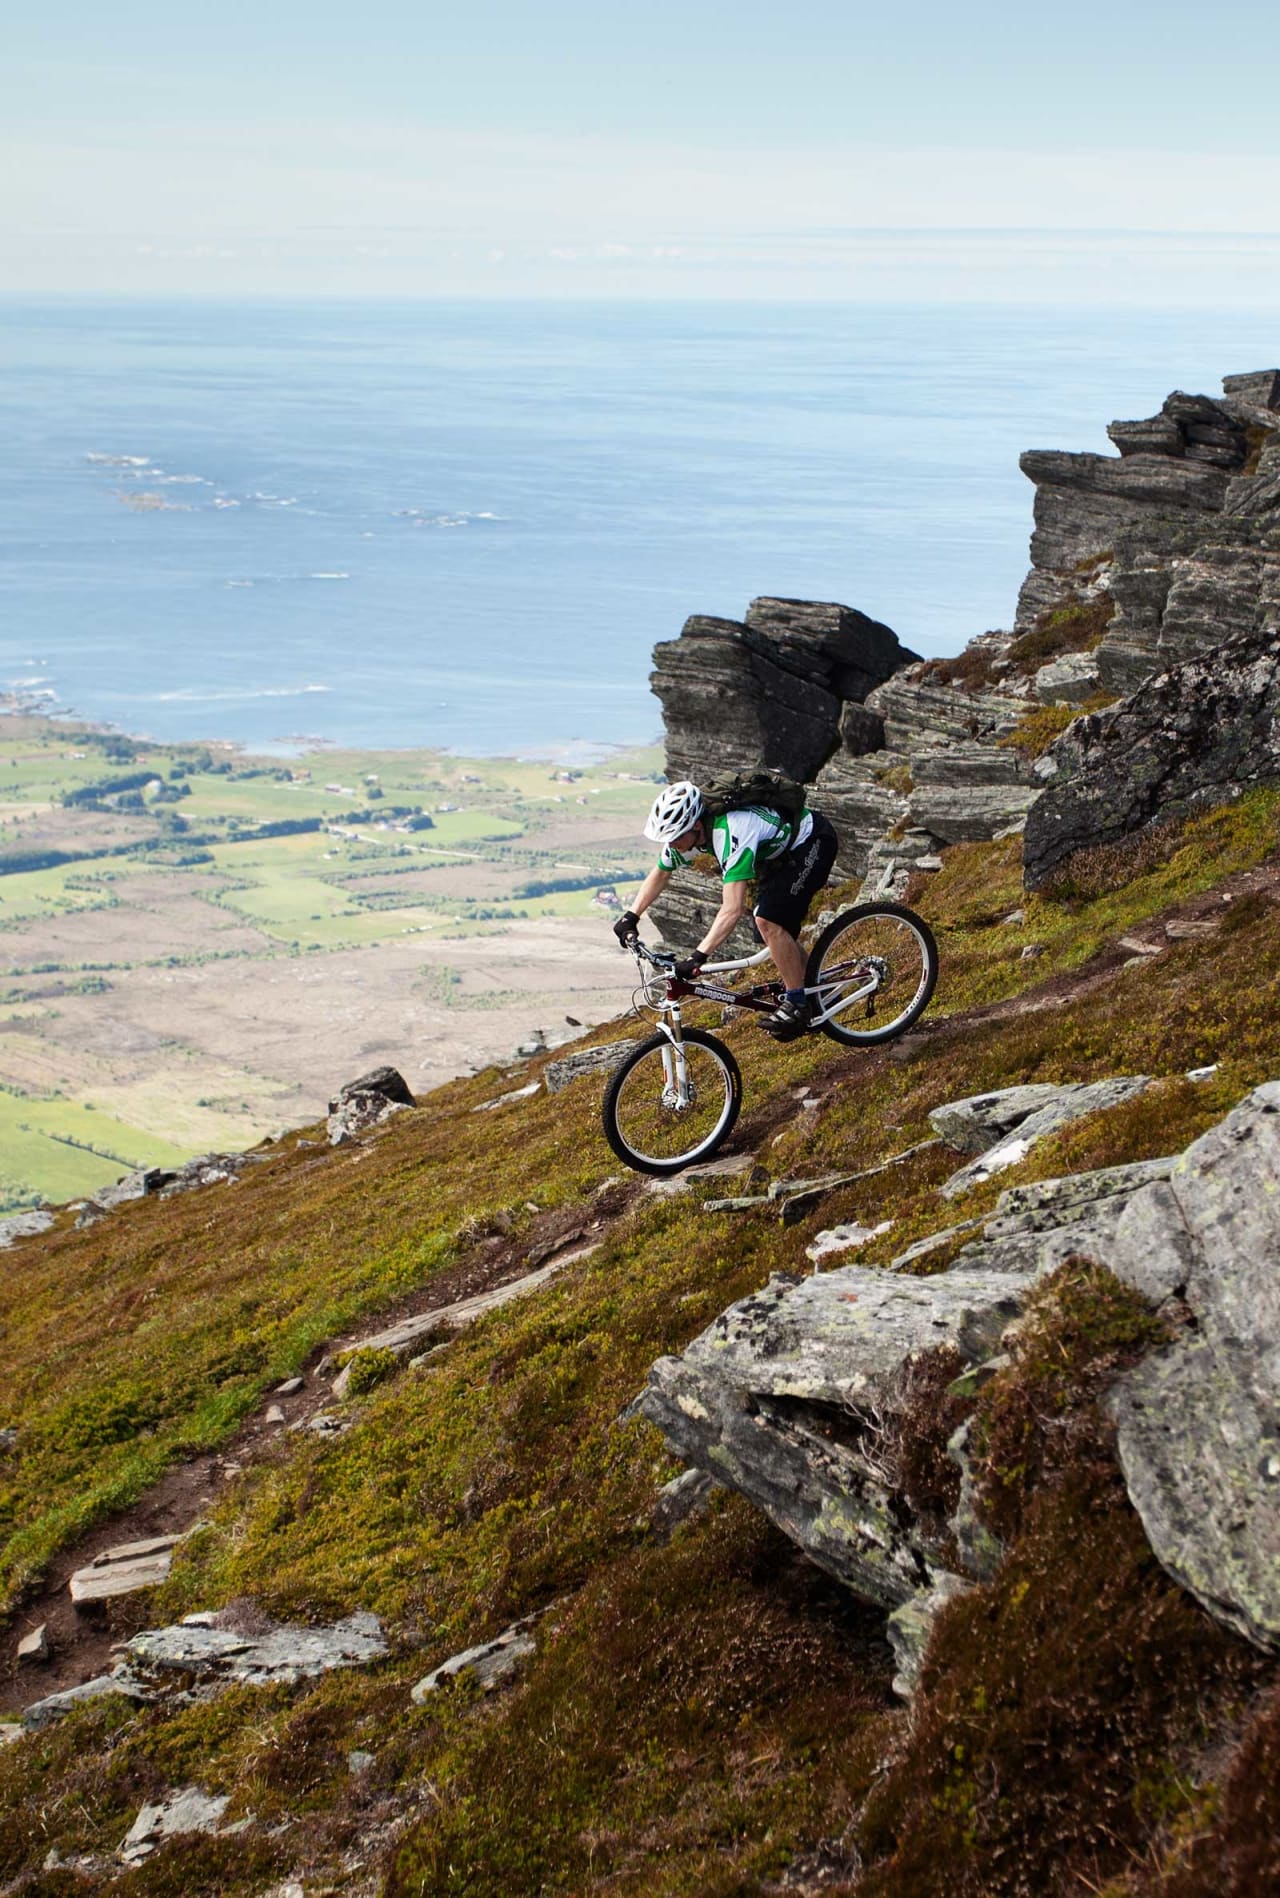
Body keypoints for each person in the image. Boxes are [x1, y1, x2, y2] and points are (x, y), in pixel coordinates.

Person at [612, 778, 839, 1041]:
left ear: (696, 825)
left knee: (769, 920)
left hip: (812, 842)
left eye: (674, 838)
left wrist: (698, 956)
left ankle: (798, 1001)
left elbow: (732, 909)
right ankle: (817, 988)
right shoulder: (689, 836)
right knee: (769, 929)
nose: (671, 844)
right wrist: (631, 916)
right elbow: (661, 874)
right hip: (779, 855)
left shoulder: (731, 831)